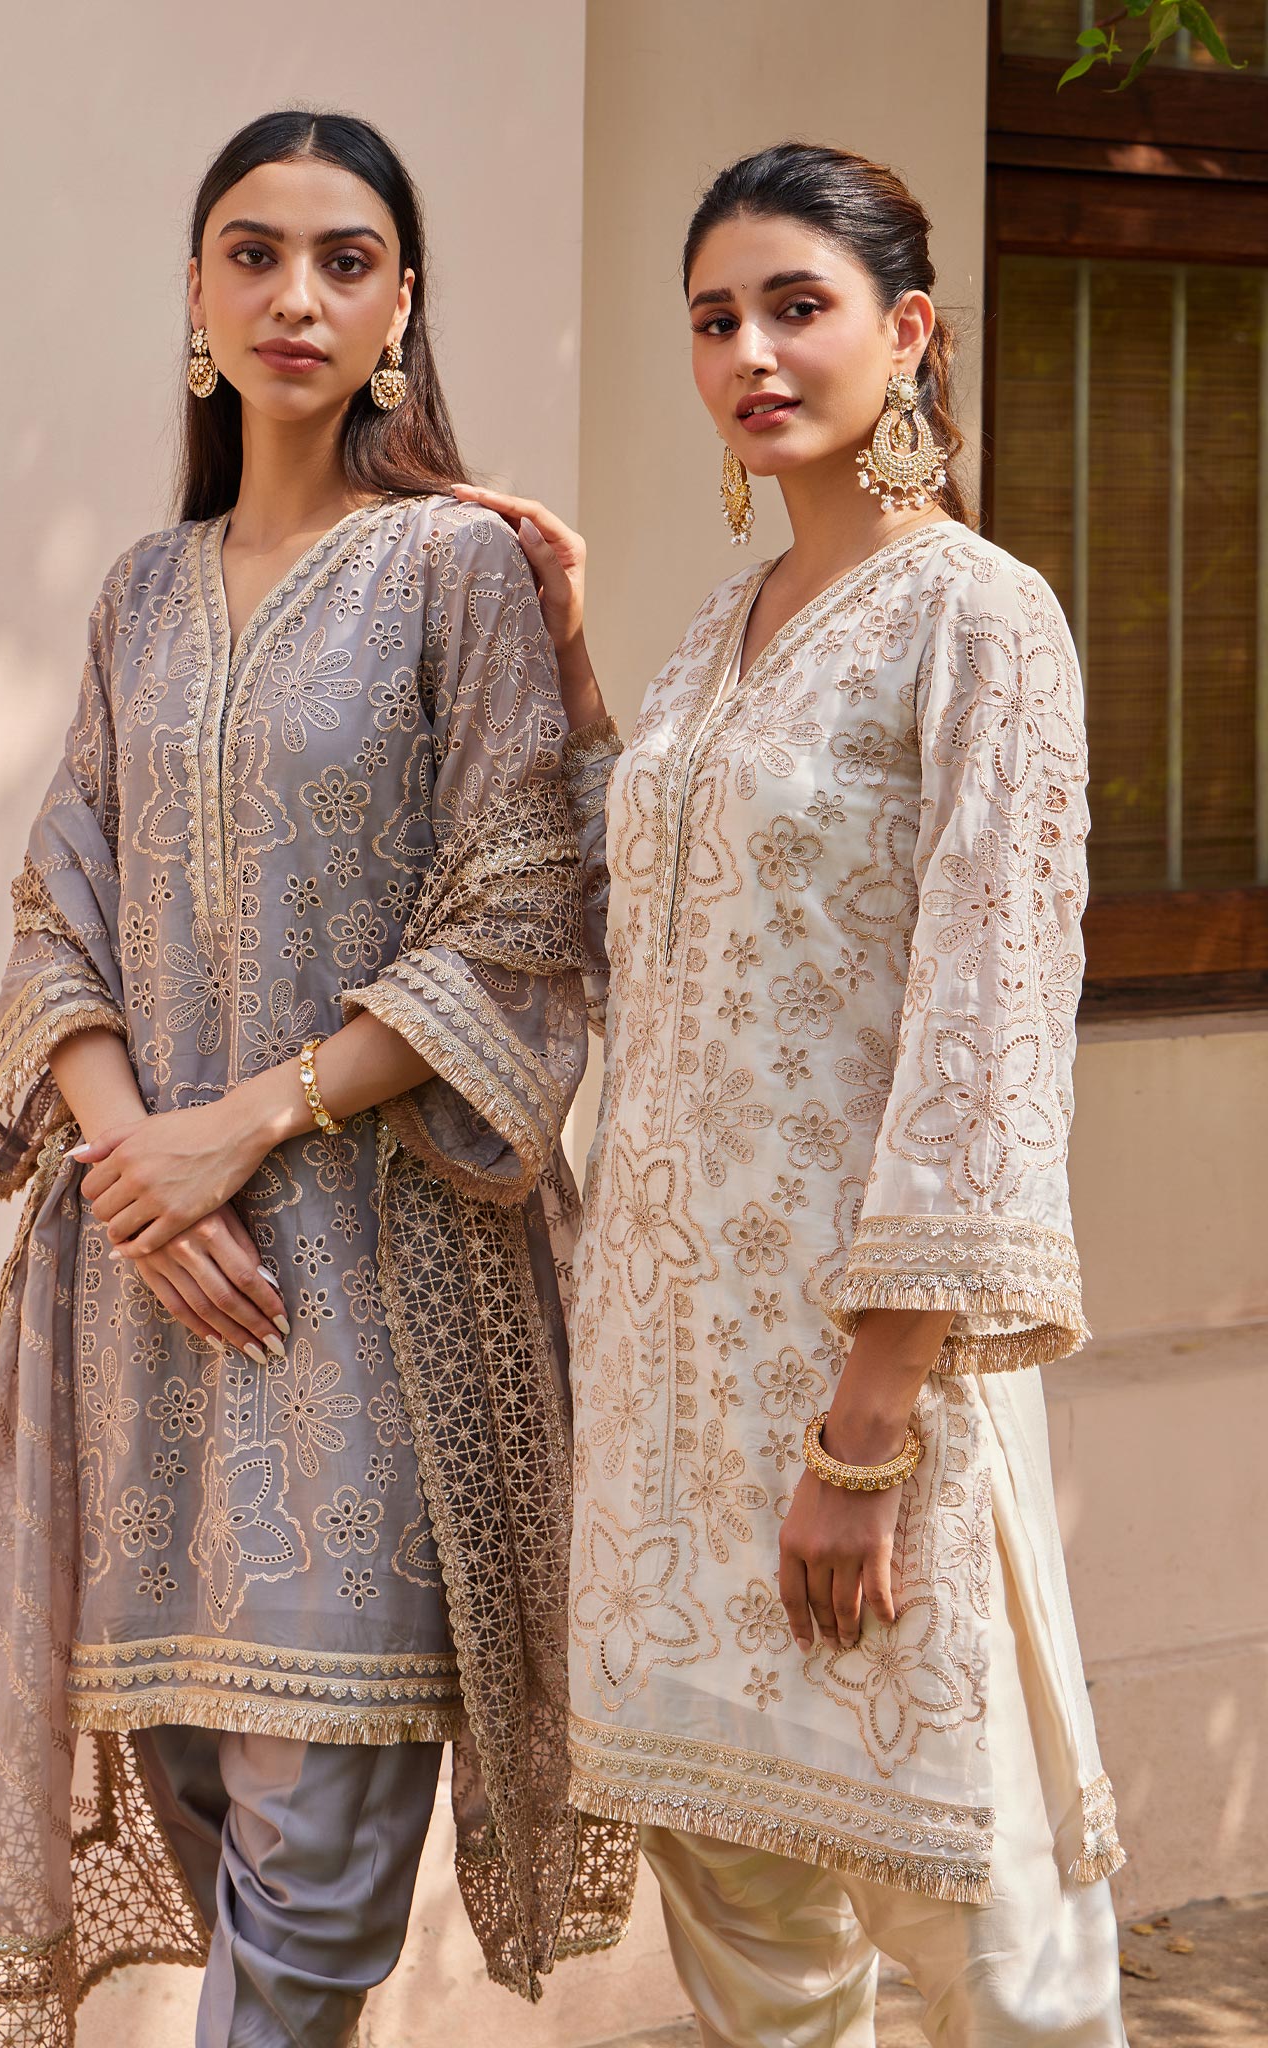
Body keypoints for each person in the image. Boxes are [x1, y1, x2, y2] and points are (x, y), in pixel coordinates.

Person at [0, 109, 633, 2048]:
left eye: (343, 260)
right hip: (145, 1305)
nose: (295, 295)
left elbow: (520, 909)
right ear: (197, 296)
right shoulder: (139, 595)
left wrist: (240, 1124)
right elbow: (59, 904)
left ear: (402, 307)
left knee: (312, 1887)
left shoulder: (455, 571)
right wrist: (133, 1168)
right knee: (207, 1800)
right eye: (253, 253)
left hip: (372, 1300)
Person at [456, 141, 1127, 2046]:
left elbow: (988, 1027)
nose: (749, 353)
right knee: (754, 1949)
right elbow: (661, 918)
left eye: (796, 307)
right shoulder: (725, 623)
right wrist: (574, 659)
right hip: (672, 1393)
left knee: (995, 1947)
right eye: (714, 319)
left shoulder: (980, 619)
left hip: (863, 1390)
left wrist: (868, 1435)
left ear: (907, 334)